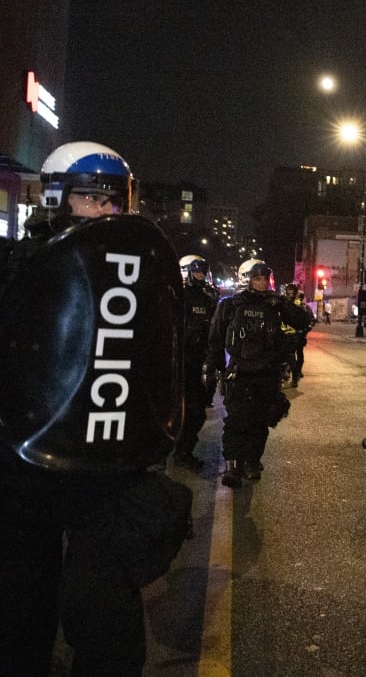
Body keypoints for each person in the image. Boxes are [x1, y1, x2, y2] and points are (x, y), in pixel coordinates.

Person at [0, 141, 192, 675]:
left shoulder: (140, 264)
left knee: (102, 607)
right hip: (24, 458)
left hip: (107, 465)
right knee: (21, 600)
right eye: (90, 198)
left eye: (115, 201)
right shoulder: (19, 261)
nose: (107, 211)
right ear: (58, 197)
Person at [205, 258, 312, 488]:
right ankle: (233, 465)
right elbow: (215, 340)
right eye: (257, 278)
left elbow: (305, 321)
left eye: (265, 278)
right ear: (247, 279)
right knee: (236, 419)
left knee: (260, 420)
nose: (262, 283)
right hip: (239, 372)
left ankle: (252, 462)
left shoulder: (273, 305)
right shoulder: (230, 305)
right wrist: (213, 369)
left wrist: (283, 303)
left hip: (267, 372)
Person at [175, 254, 219, 469]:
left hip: (198, 362)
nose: (200, 276)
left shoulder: (209, 299)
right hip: (177, 363)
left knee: (197, 412)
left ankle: (183, 451)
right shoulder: (176, 296)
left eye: (203, 272)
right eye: (196, 271)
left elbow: (215, 330)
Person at [279, 282, 312, 388]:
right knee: (282, 357)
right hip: (283, 334)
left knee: (292, 357)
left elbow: (307, 320)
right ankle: (286, 375)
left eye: (291, 293)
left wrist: (303, 331)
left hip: (294, 335)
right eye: (287, 293)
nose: (289, 295)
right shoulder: (282, 303)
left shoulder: (298, 305)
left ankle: (294, 377)